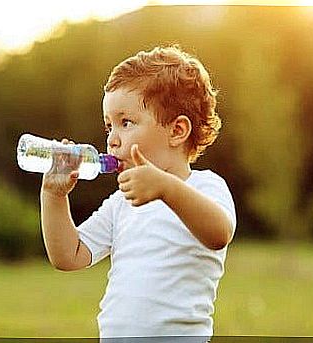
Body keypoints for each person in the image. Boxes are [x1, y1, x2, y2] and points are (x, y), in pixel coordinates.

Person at [40, 45, 236, 342]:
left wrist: (166, 187)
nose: (112, 140)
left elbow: (219, 233)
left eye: (126, 123)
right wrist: (53, 197)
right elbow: (70, 256)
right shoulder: (121, 202)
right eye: (109, 127)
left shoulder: (204, 187)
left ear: (177, 131)